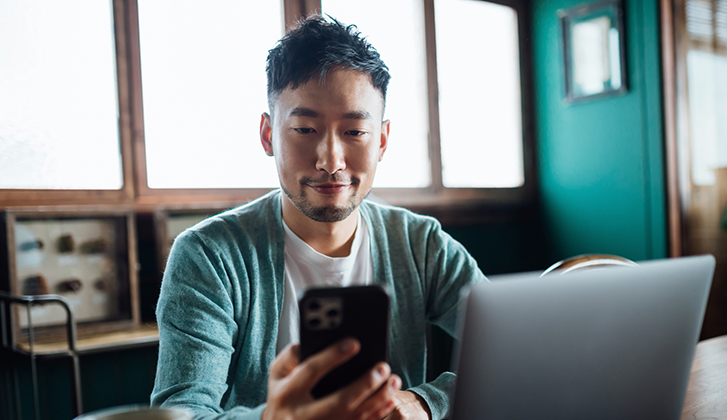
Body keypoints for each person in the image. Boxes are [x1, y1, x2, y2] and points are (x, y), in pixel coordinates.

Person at [150, 16, 486, 420]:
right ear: (268, 135)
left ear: (381, 140)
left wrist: (424, 403)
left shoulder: (422, 245)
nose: (330, 161)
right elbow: (180, 412)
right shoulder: (209, 256)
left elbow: (515, 354)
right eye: (305, 129)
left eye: (355, 132)